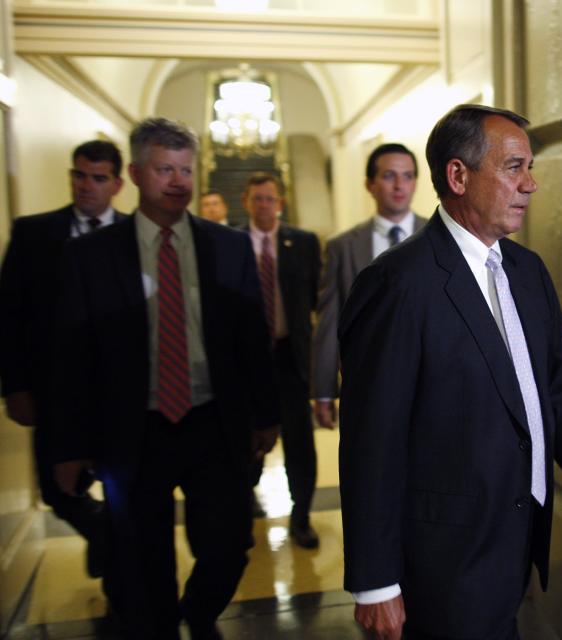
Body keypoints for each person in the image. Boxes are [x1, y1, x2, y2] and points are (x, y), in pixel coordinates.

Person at [338, 105, 562, 640]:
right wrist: (375, 582)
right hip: (440, 554)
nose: (530, 184)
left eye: (529, 167)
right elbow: (373, 440)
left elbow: (556, 394)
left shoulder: (527, 271)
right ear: (458, 176)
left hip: (516, 535)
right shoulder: (397, 284)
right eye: (514, 167)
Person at [51, 118, 281, 640]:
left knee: (229, 543)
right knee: (140, 551)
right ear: (134, 173)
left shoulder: (227, 246)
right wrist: (68, 444)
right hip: (133, 429)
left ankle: (198, 614)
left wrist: (265, 415)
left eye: (185, 170)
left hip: (211, 422)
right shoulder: (91, 255)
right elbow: (72, 356)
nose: (178, 181)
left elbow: (252, 338)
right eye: (164, 169)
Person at [0, 139, 126, 583]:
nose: (86, 186)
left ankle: (121, 586)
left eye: (97, 178)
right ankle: (104, 535)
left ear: (117, 183)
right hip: (55, 389)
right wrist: (14, 387)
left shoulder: (137, 234)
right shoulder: (34, 233)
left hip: (119, 391)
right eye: (79, 175)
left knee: (123, 491)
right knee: (58, 489)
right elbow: (10, 314)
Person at [311, 143, 426, 427]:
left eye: (408, 176)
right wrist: (324, 391)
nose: (400, 185)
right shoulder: (343, 247)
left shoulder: (441, 239)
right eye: (389, 176)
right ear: (369, 184)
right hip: (368, 382)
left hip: (432, 381)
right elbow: (329, 320)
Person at [242, 172, 325, 548]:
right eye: (257, 199)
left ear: (280, 203)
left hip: (289, 355)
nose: (264, 205)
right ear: (247, 202)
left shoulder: (302, 243)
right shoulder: (230, 242)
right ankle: (242, 507)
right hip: (247, 362)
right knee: (247, 440)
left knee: (299, 443)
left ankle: (302, 516)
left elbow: (317, 302)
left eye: (269, 199)